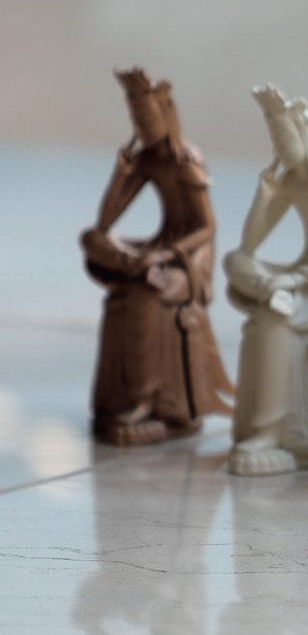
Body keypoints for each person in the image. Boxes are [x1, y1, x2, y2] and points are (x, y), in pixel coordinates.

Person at [81, 67, 232, 445]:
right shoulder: (148, 159)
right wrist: (121, 172)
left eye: (148, 118)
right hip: (156, 251)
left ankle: (145, 400)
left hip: (190, 259)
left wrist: (167, 255)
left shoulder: (187, 160)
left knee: (144, 295)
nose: (143, 126)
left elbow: (207, 228)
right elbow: (106, 221)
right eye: (137, 120)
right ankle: (133, 265)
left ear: (165, 116)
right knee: (92, 239)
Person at [224, 85, 308, 475]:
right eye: (274, 140)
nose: (279, 146)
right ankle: (270, 292)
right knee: (235, 261)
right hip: (295, 281)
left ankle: (269, 431)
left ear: (305, 138)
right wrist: (265, 194)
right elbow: (250, 245)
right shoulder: (291, 183)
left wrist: (295, 281)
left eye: (284, 138)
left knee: (273, 323)